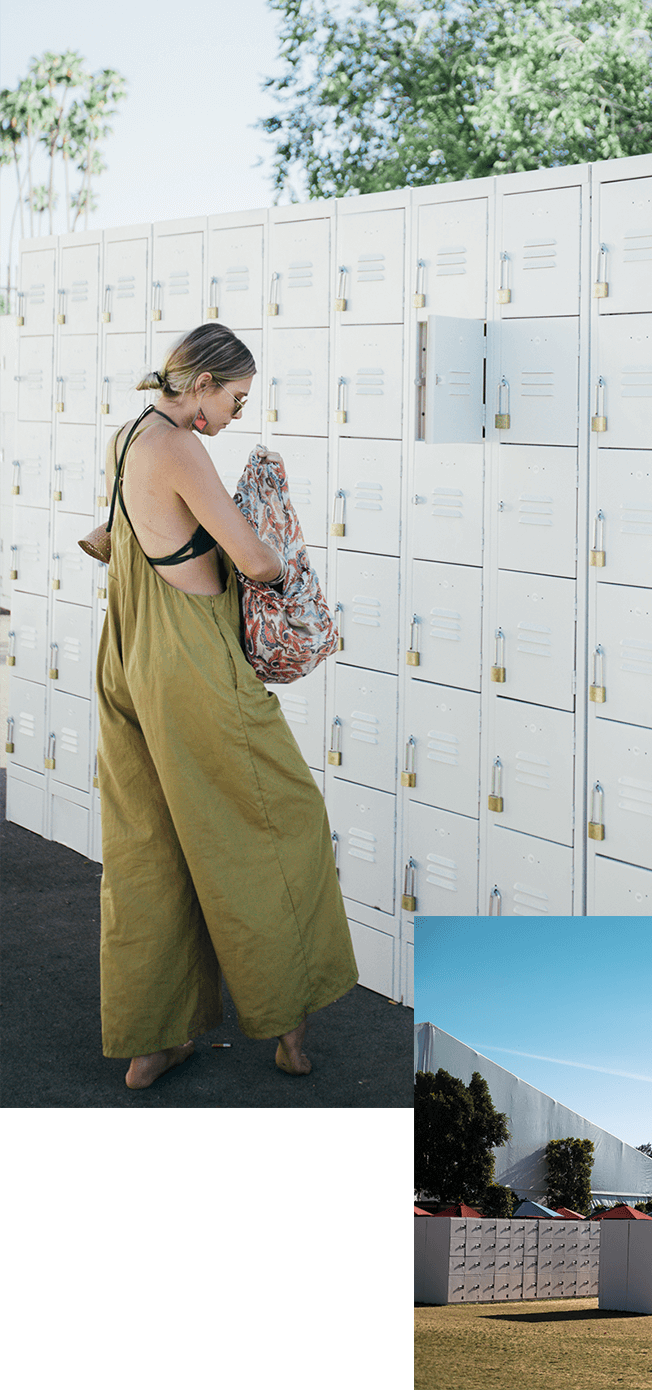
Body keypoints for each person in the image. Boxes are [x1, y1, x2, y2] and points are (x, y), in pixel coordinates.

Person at [96, 322, 357, 1090]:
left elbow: (111, 538)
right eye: (235, 398)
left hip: (128, 654)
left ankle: (153, 1044)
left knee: (149, 843)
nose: (236, 415)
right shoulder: (180, 446)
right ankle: (289, 1022)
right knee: (280, 822)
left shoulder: (128, 435)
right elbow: (255, 560)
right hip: (193, 663)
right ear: (202, 383)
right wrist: (276, 544)